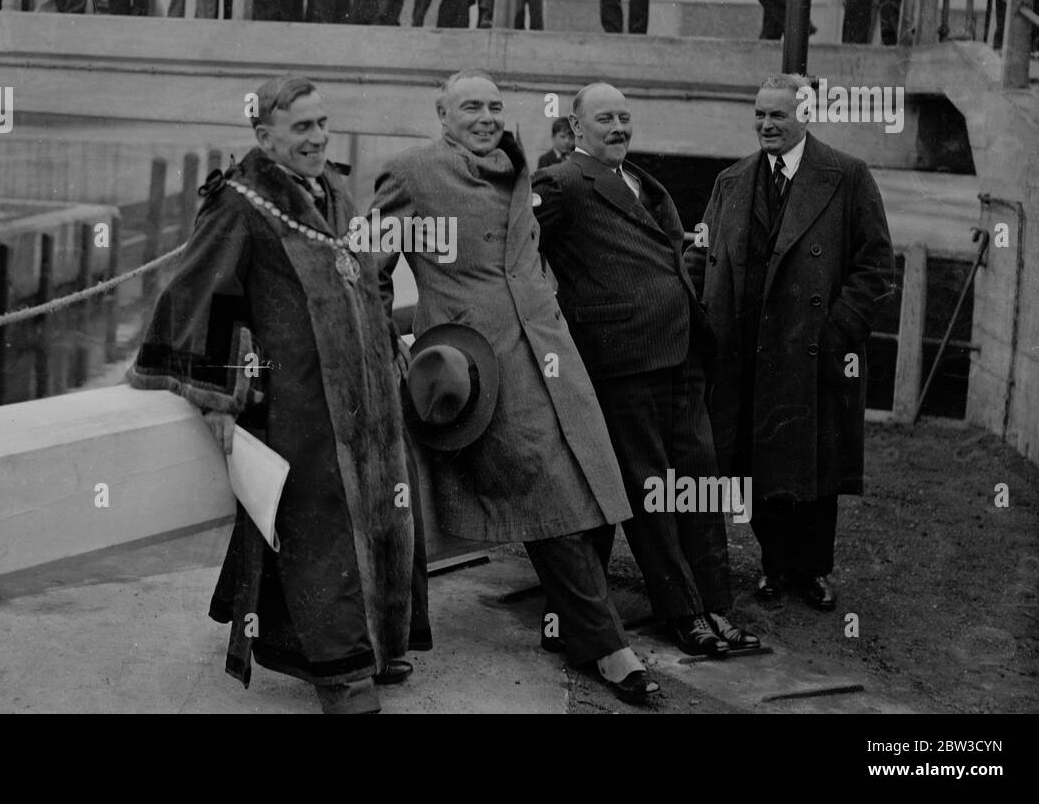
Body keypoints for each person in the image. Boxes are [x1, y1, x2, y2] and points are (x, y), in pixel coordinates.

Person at [128, 74, 429, 714]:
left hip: (363, 403)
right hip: (298, 406)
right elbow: (201, 294)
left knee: (378, 518)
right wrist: (214, 396)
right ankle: (342, 679)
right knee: (319, 533)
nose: (317, 138)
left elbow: (365, 275)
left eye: (322, 124)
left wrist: (382, 341)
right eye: (301, 129)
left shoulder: (334, 193)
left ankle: (376, 646)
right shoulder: (239, 201)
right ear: (264, 136)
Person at [372, 68, 660, 705]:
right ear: (441, 113)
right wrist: (387, 341)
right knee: (548, 490)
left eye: (494, 106)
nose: (484, 117)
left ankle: (573, 627)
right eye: (469, 106)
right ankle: (609, 648)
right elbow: (369, 267)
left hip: (550, 350)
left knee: (587, 484)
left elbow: (532, 256)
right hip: (480, 367)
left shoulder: (517, 165)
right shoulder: (412, 173)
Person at [532, 83, 761, 657]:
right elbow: (523, 255)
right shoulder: (559, 183)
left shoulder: (640, 180)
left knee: (699, 484)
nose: (617, 127)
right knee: (650, 488)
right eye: (604, 118)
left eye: (625, 117)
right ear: (575, 129)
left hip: (682, 354)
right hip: (621, 362)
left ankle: (714, 606)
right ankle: (682, 613)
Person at [684, 74, 894, 611]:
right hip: (746, 350)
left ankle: (815, 570)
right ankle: (775, 566)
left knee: (816, 466)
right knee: (752, 464)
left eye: (777, 115)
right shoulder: (733, 181)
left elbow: (876, 266)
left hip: (810, 349)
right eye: (759, 114)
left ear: (806, 115)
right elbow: (703, 255)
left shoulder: (846, 176)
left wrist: (836, 330)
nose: (765, 125)